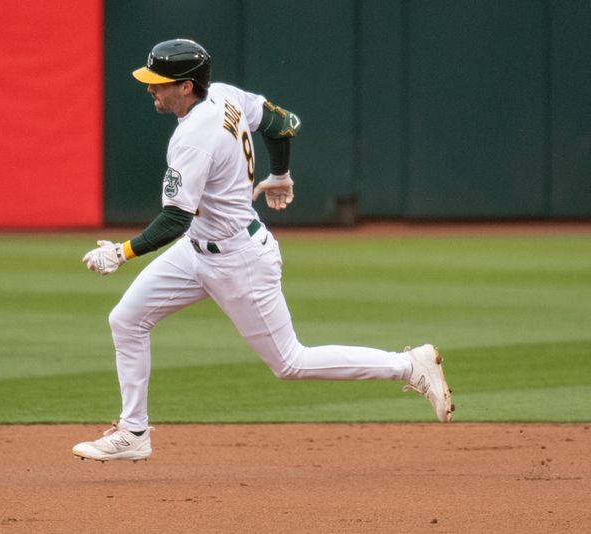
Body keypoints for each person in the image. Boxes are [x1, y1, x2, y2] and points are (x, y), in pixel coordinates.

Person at [72, 39, 454, 463]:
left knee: (290, 362)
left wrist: (121, 252)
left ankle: (410, 366)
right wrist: (281, 173)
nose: (151, 90)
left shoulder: (193, 139)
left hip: (239, 260)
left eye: (159, 83)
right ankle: (134, 432)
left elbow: (175, 219)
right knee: (126, 319)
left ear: (185, 87)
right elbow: (283, 122)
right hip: (196, 251)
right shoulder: (225, 94)